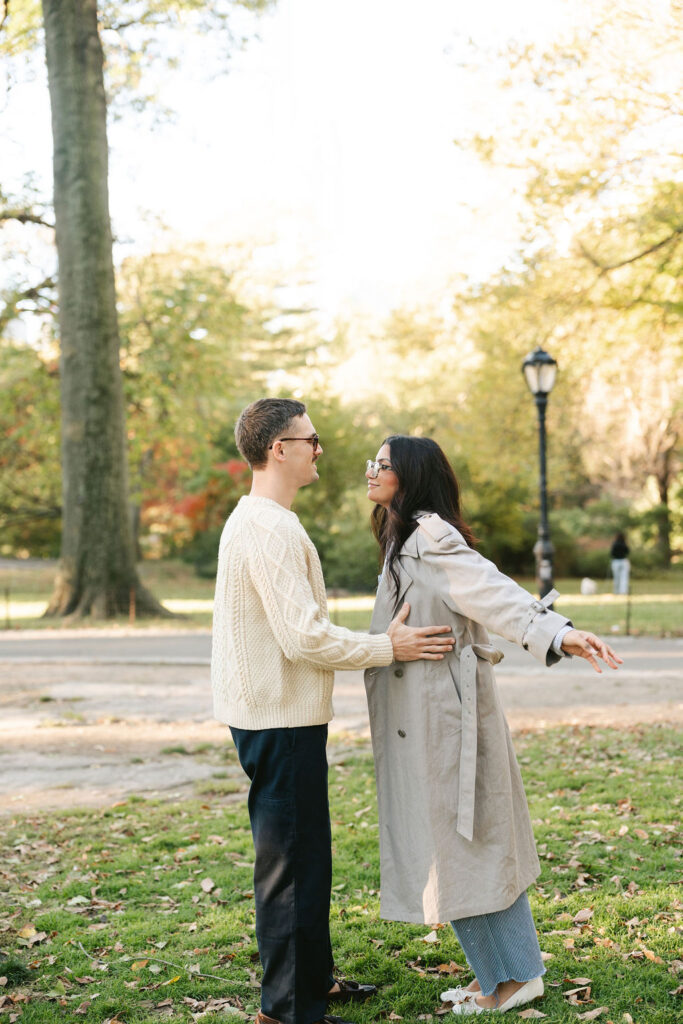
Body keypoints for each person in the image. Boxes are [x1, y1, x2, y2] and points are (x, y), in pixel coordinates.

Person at [211, 401, 455, 1024]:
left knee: (304, 858)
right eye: (310, 439)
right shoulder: (267, 527)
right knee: (292, 869)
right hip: (276, 719)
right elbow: (305, 638)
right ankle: (293, 1009)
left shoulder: (267, 520)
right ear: (278, 449)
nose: (320, 449)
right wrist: (388, 647)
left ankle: (311, 982)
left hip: (275, 713)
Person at [364, 435, 622, 1016]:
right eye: (371, 463)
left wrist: (558, 632)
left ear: (411, 475)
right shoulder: (401, 539)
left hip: (448, 718)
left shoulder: (432, 537)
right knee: (455, 849)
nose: (371, 473)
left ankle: (517, 977)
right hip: (424, 716)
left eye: (382, 464)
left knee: (468, 846)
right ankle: (499, 976)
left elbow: (492, 592)